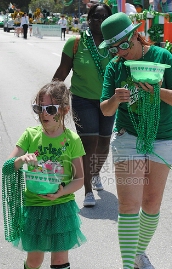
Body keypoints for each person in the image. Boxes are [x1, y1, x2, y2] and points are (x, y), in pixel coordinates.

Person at [99, 13, 172, 269]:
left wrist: (157, 89)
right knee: (128, 205)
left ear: (136, 35)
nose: (119, 53)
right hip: (128, 137)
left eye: (122, 46)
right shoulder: (116, 66)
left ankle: (139, 252)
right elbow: (105, 109)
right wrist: (116, 98)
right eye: (113, 49)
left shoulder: (162, 57)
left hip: (163, 138)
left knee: (151, 204)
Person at [2, 81, 86, 269]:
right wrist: (21, 159)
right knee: (35, 259)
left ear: (64, 109)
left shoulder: (71, 139)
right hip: (35, 208)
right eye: (39, 107)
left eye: (49, 108)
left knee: (60, 262)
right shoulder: (30, 136)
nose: (43, 114)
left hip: (61, 207)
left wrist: (62, 191)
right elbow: (8, 166)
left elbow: (80, 178)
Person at [53, 3, 114, 207]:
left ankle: (94, 173)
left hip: (108, 101)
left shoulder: (115, 44)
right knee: (90, 143)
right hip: (82, 100)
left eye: (104, 17)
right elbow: (62, 72)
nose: (99, 21)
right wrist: (51, 97)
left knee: (104, 143)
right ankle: (87, 190)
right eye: (96, 17)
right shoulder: (75, 43)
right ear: (89, 19)